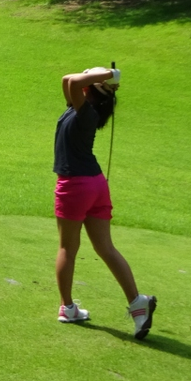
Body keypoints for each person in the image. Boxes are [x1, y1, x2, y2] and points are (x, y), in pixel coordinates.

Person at [53, 66, 155, 339]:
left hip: (75, 185)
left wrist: (106, 76)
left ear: (91, 90)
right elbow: (68, 80)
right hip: (96, 184)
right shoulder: (79, 107)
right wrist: (104, 78)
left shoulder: (85, 111)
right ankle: (138, 303)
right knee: (105, 247)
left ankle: (68, 307)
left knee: (67, 248)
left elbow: (73, 80)